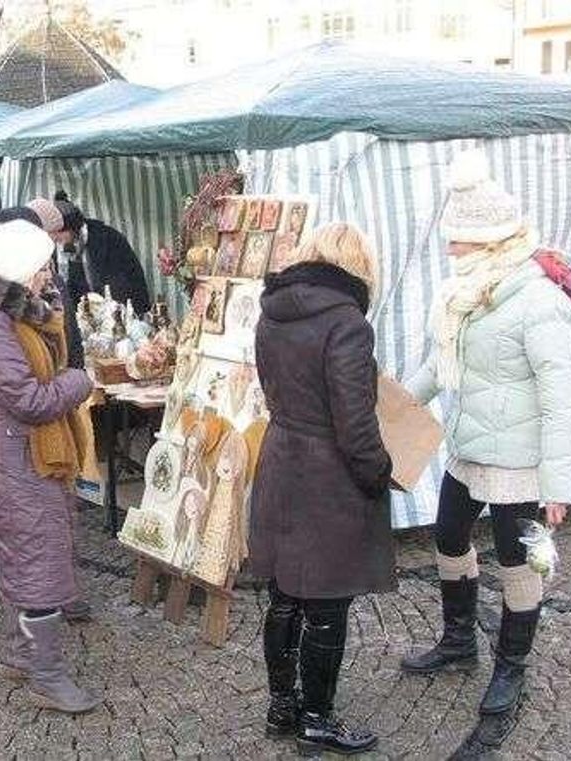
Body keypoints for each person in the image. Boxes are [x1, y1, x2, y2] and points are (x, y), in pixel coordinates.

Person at [400, 151, 571, 718]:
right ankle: (459, 642)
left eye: (458, 241)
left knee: (516, 564)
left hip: (519, 463)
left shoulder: (537, 301)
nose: (449, 250)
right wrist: (397, 406)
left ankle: (512, 667)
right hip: (469, 447)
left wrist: (558, 485)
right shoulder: (468, 295)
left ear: (489, 242)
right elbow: (440, 363)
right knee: (450, 537)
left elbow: (561, 398)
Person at [249, 222, 393, 755]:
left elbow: (273, 388)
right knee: (328, 604)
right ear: (357, 267)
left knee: (285, 595)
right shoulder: (347, 322)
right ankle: (316, 718)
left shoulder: (272, 310)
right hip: (326, 474)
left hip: (281, 458)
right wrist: (378, 472)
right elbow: (355, 424)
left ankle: (281, 706)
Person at [0, 219, 99, 714]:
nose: (48, 275)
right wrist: (81, 382)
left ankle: (21, 653)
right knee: (35, 558)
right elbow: (30, 399)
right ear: (19, 269)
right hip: (15, 448)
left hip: (23, 447)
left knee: (27, 553)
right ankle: (47, 675)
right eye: (42, 268)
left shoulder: (12, 306)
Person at [52, 191, 151, 317]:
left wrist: (138, 312)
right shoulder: (55, 248)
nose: (55, 238)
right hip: (80, 314)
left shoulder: (108, 238)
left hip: (114, 310)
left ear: (72, 228)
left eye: (58, 233)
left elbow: (132, 278)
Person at [27, 198, 85, 370]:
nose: (54, 242)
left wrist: (77, 373)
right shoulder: (20, 282)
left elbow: (71, 332)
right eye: (50, 235)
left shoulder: (55, 280)